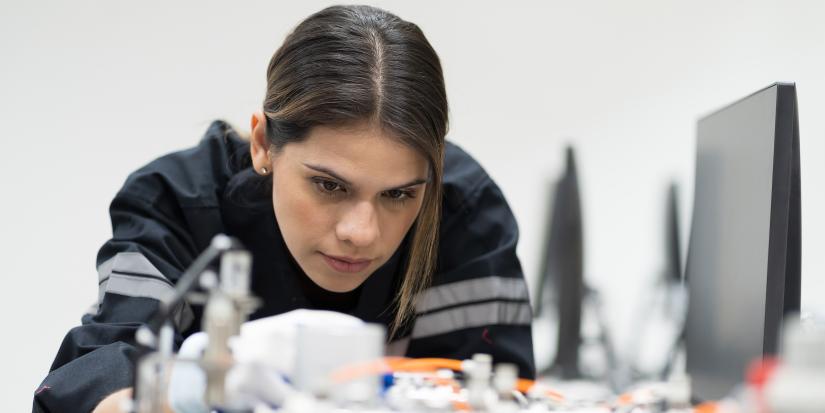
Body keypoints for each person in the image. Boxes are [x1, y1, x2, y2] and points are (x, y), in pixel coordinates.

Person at [33, 5, 534, 412]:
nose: (361, 233)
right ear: (263, 144)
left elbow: (502, 393)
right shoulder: (176, 200)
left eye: (399, 195)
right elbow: (99, 374)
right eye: (329, 186)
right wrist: (181, 392)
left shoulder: (464, 212)